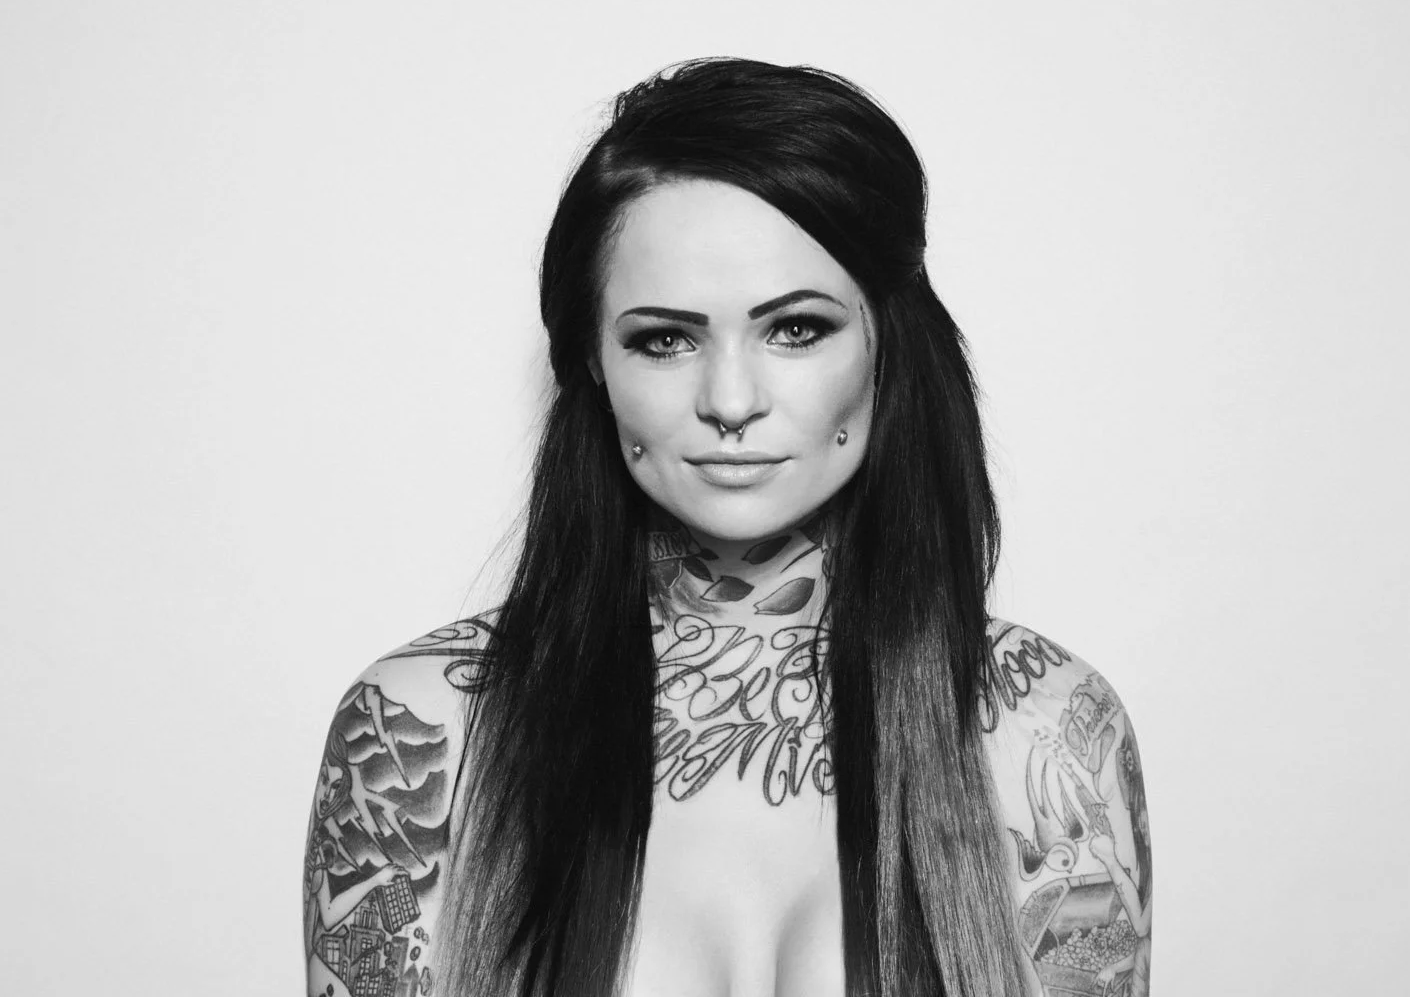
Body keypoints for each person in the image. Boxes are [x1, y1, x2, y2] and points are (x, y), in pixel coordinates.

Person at [302, 57, 1153, 997]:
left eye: (796, 329)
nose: (732, 400)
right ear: (592, 361)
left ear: (886, 341)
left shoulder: (1049, 733)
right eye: (665, 339)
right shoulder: (419, 734)